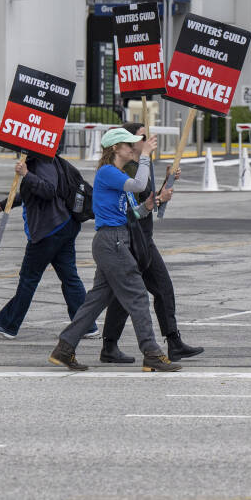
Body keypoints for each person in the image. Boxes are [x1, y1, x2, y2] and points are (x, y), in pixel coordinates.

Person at [48, 127, 181, 372]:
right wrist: (145, 155)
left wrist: (151, 203)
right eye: (128, 145)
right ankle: (151, 352)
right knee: (139, 296)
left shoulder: (115, 175)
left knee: (97, 300)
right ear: (115, 149)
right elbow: (139, 183)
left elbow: (132, 214)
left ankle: (64, 348)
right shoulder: (109, 172)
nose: (133, 148)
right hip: (113, 242)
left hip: (114, 239)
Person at [97, 122, 199, 365]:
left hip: (142, 236)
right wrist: (158, 194)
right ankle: (120, 345)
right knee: (143, 292)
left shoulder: (142, 164)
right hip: (132, 239)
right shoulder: (129, 168)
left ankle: (115, 345)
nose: (147, 140)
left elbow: (150, 203)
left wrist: (166, 184)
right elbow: (136, 202)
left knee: (127, 295)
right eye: (142, 137)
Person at [0, 152, 91, 339]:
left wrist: (26, 174)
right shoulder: (43, 159)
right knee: (69, 277)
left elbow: (48, 190)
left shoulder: (42, 161)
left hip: (48, 230)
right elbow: (31, 192)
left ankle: (8, 325)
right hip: (62, 225)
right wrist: (5, 203)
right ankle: (87, 326)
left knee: (28, 279)